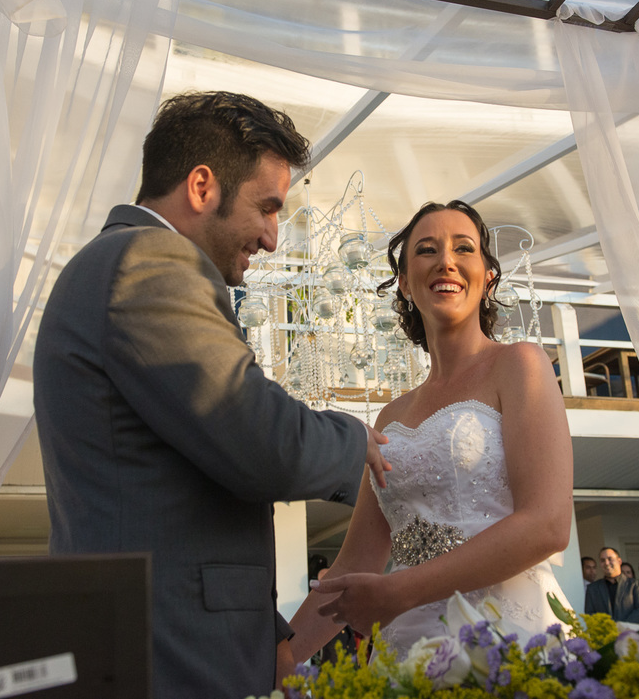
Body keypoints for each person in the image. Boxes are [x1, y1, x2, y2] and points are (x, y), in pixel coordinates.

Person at [33, 91, 390, 699]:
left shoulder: (124, 263)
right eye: (267, 208)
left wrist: (268, 635)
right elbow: (260, 441)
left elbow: (184, 495)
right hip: (166, 655)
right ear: (202, 187)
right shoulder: (148, 263)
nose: (273, 239)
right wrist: (355, 440)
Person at [284, 199, 574, 660]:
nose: (446, 261)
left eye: (464, 248)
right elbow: (355, 562)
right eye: (427, 250)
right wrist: (279, 657)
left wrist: (400, 591)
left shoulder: (520, 365)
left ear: (488, 276)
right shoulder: (389, 418)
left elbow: (548, 524)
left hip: (508, 637)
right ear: (404, 282)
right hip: (409, 650)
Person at [584, 547, 639, 623]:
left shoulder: (636, 585)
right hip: (605, 630)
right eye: (602, 560)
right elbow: (590, 615)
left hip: (631, 630)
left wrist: (622, 627)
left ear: (619, 561)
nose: (606, 563)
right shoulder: (592, 589)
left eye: (610, 559)